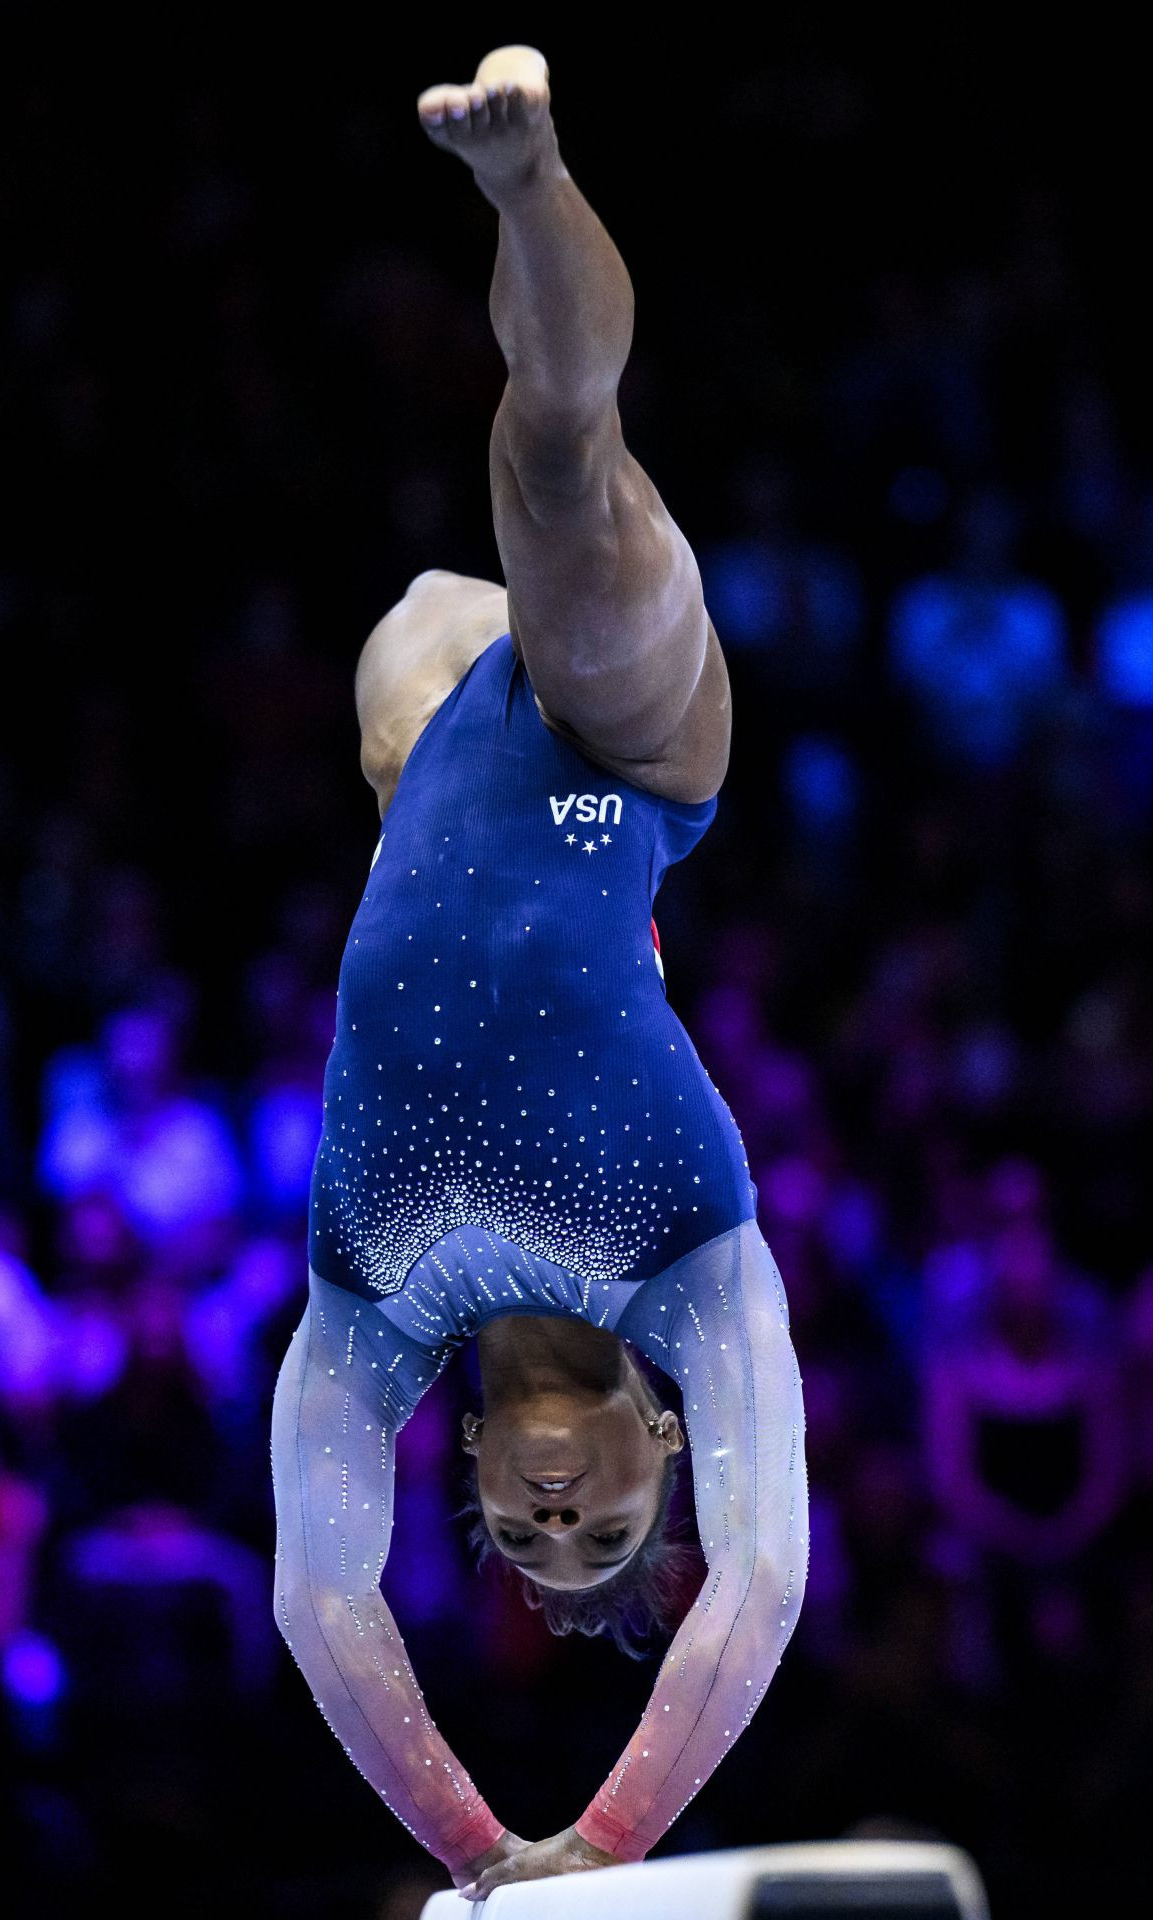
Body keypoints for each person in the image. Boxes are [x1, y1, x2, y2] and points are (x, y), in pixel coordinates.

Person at [270, 46, 809, 1900]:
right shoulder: (695, 1262)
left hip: (432, 757)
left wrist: (467, 1846)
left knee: (411, 645)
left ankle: (521, 270)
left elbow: (325, 1595)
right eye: (612, 1530)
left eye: (526, 1538)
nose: (560, 1525)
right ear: (668, 1441)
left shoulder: (367, 1302)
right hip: (629, 763)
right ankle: (529, 174)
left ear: (476, 1467)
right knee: (557, 474)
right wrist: (596, 1839)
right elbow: (766, 1583)